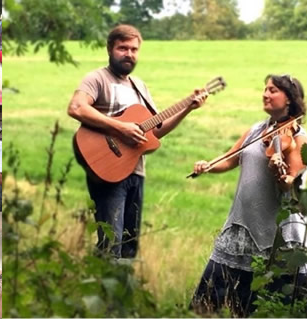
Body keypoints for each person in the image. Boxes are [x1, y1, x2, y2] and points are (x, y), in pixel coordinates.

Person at [66, 24, 206, 258]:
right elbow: (76, 107)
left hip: (135, 171)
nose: (129, 54)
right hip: (106, 170)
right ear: (110, 49)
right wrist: (121, 127)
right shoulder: (97, 78)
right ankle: (101, 291)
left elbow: (155, 132)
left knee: (130, 245)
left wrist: (187, 109)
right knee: (111, 244)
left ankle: (122, 293)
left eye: (134, 49)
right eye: (123, 48)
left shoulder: (139, 86)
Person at [191, 74, 307, 317]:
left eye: (273, 90)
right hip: (243, 224)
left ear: (289, 100)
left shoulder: (299, 137)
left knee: (275, 304)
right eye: (265, 89)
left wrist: (280, 176)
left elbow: (290, 182)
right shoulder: (257, 130)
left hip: (279, 234)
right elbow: (229, 159)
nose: (265, 94)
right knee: (210, 302)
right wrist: (208, 165)